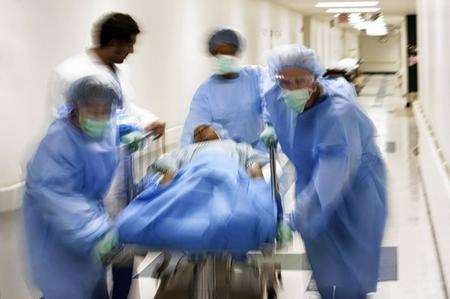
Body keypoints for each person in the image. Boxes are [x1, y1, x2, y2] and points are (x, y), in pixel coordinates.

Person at [47, 13, 165, 298]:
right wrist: (112, 131)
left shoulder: (119, 72)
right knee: (91, 259)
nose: (132, 51)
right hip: (85, 179)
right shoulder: (70, 72)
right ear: (114, 43)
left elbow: (126, 108)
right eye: (130, 45)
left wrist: (148, 120)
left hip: (118, 175)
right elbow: (62, 121)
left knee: (122, 251)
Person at [262, 44, 387, 299]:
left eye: (300, 80)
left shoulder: (338, 115)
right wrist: (271, 126)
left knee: (350, 267)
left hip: (355, 188)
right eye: (285, 81)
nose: (292, 87)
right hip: (311, 177)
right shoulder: (277, 95)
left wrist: (293, 219)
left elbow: (330, 179)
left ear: (315, 78)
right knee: (321, 255)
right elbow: (269, 108)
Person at [22, 76, 124, 299]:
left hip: (88, 228)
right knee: (66, 290)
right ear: (75, 109)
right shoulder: (56, 146)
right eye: (93, 111)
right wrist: (99, 233)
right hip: (61, 237)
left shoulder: (101, 128)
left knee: (93, 287)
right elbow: (60, 198)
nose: (100, 118)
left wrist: (130, 132)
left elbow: (112, 131)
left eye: (105, 111)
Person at [180, 28, 274, 150]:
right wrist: (185, 156)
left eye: (229, 52)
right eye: (219, 53)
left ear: (237, 52)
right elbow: (194, 127)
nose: (225, 57)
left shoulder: (255, 76)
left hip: (257, 150)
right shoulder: (206, 91)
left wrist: (271, 123)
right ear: (213, 55)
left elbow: (271, 93)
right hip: (224, 154)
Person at [153, 124, 269, 184]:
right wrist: (172, 172)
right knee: (169, 175)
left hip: (228, 176)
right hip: (193, 179)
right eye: (197, 133)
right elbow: (163, 162)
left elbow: (261, 158)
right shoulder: (186, 150)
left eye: (205, 129)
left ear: (217, 134)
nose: (201, 131)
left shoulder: (233, 145)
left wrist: (252, 167)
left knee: (254, 168)